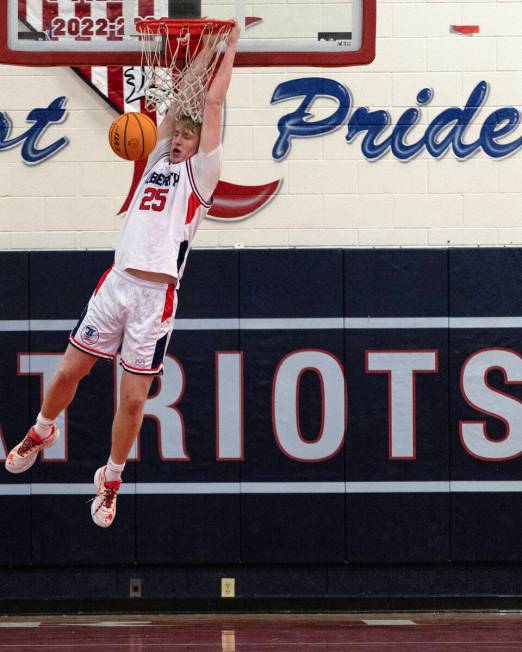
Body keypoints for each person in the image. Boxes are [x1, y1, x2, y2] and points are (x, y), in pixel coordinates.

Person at [5, 21, 240, 528]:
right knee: (70, 371)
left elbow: (211, 105)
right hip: (117, 284)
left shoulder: (203, 175)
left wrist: (230, 46)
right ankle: (42, 429)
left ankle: (110, 479)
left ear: (202, 145)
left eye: (187, 134)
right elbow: (186, 99)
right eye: (176, 131)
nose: (178, 136)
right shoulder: (156, 155)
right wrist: (198, 64)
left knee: (133, 402)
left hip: (156, 299)